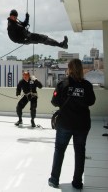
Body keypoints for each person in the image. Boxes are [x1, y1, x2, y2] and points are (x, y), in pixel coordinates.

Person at [48, 59, 96, 189]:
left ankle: (54, 179)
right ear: (81, 69)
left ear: (69, 69)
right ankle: (77, 182)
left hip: (65, 124)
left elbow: (54, 101)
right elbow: (91, 101)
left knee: (59, 150)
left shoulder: (62, 84)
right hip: (82, 124)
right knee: (80, 152)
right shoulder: (87, 85)